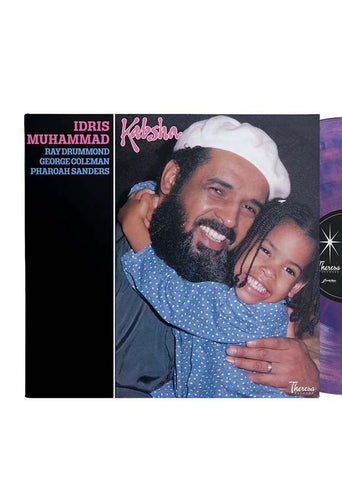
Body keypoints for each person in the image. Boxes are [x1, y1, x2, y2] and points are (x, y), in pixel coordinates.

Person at [115, 115, 319, 397]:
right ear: (171, 179)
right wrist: (142, 197)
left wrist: (311, 384)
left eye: (249, 208)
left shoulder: (236, 286)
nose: (231, 220)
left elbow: (176, 298)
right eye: (218, 191)